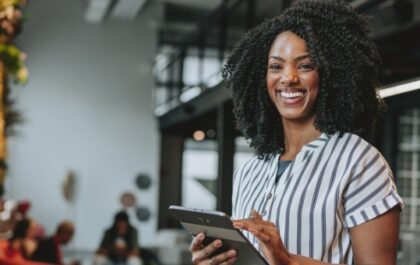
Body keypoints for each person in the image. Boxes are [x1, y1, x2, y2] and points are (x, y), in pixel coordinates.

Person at [189, 1, 404, 264]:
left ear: (330, 73)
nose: (288, 77)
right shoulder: (249, 172)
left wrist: (287, 261)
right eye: (276, 67)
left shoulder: (360, 161)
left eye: (304, 66)